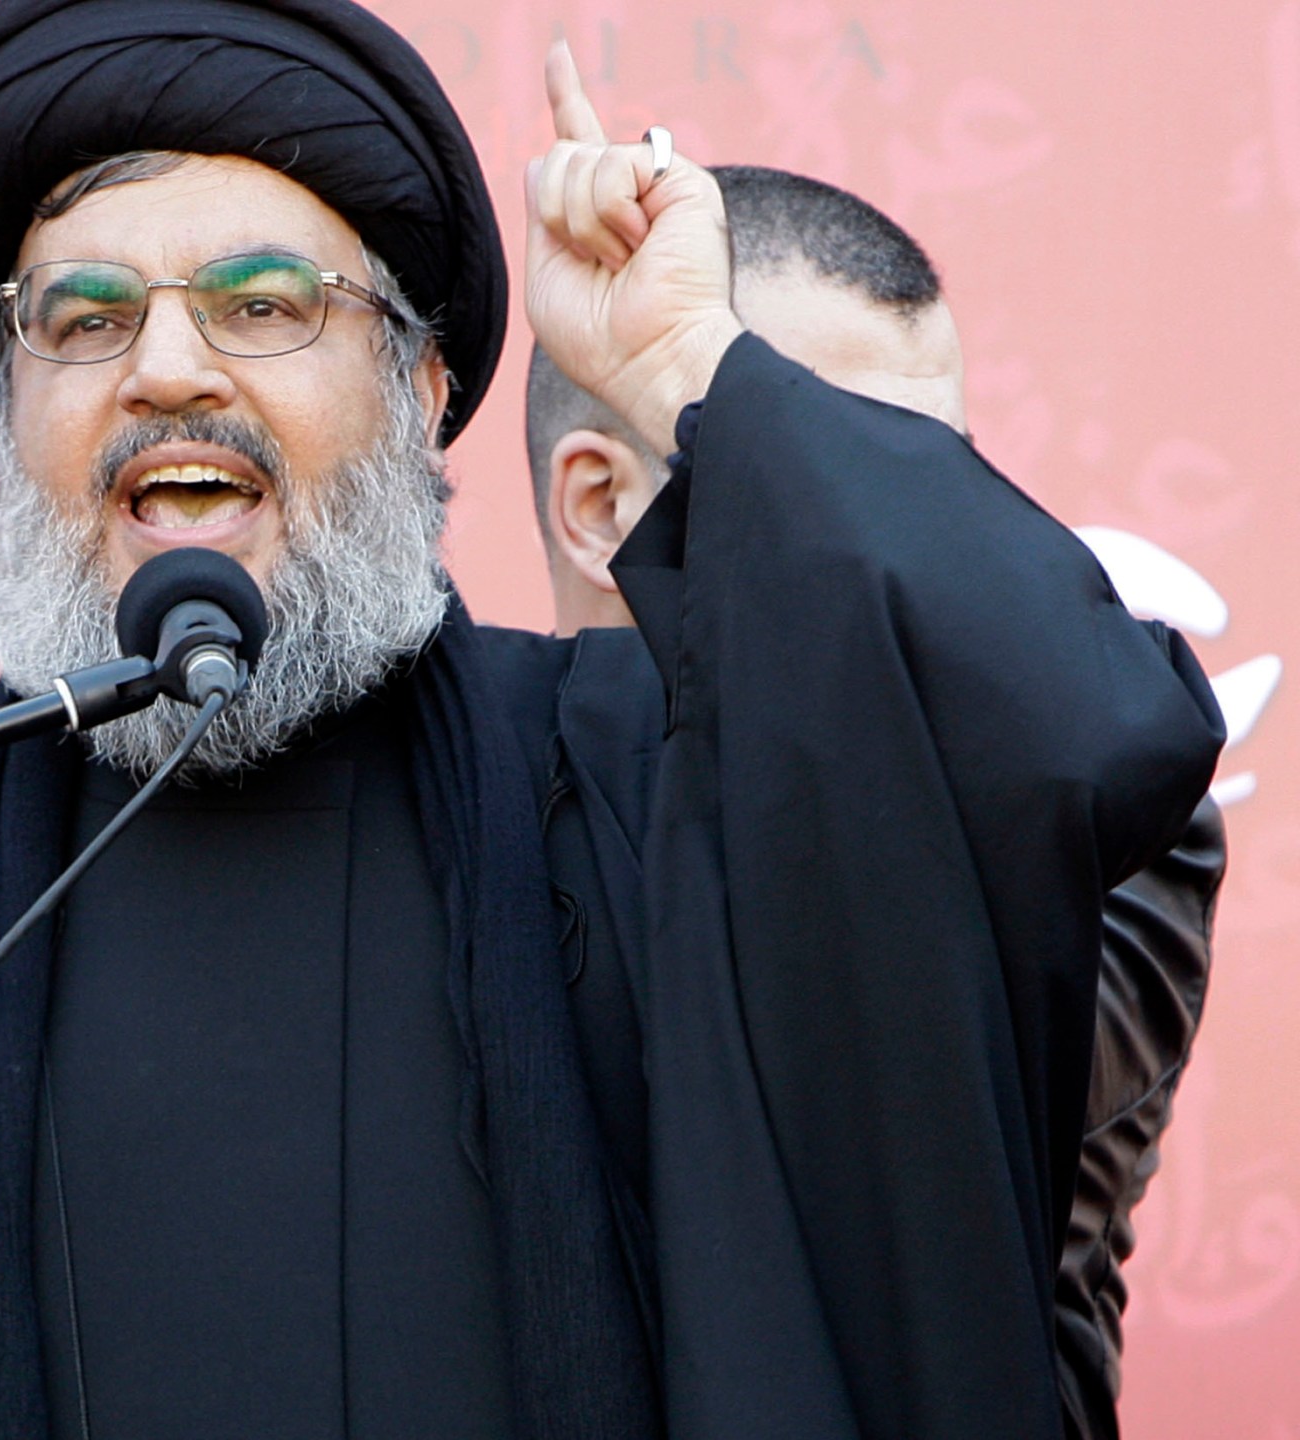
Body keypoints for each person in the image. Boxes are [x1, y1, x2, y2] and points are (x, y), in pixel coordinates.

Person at [0, 4, 1223, 1437]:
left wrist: (698, 366)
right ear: (7, 415)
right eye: (83, 320)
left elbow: (1079, 738)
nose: (166, 370)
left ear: (421, 385)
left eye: (261, 304)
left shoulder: (659, 790)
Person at [523, 163, 1221, 1440]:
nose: (898, 537)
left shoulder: (1082, 814)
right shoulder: (463, 804)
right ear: (601, 503)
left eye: (931, 483)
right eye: (829, 470)